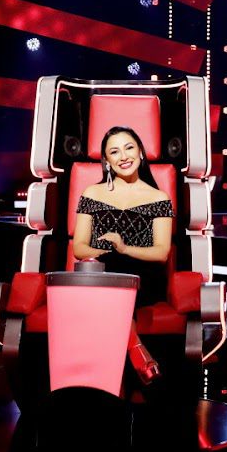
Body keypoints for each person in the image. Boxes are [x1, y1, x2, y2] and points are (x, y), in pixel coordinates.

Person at [69, 126, 174, 384]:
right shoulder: (92, 193)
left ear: (141, 153)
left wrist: (124, 248)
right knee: (108, 271)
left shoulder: (158, 198)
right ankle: (136, 350)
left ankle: (106, 374)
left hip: (143, 277)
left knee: (115, 273)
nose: (123, 156)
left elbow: (161, 252)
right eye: (114, 152)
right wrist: (110, 250)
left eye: (129, 148)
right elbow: (79, 247)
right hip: (102, 275)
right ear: (106, 160)